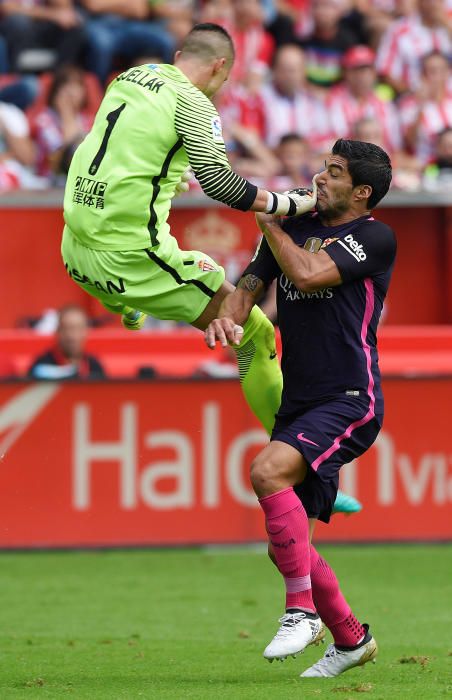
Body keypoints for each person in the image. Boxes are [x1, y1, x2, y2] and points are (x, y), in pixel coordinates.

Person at [61, 22, 359, 514]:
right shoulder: (196, 105)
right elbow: (221, 184)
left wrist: (166, 177)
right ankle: (305, 463)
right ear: (221, 67)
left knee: (185, 260)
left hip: (74, 247)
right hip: (133, 258)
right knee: (257, 334)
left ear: (179, 53)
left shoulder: (131, 77)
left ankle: (126, 303)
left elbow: (110, 151)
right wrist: (289, 202)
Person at [205, 138, 396, 677]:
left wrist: (270, 220)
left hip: (350, 398)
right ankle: (353, 640)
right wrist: (231, 315)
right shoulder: (296, 226)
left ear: (360, 192)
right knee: (286, 547)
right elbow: (251, 281)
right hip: (300, 398)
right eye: (324, 167)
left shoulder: (374, 237)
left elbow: (308, 274)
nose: (320, 177)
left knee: (266, 471)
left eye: (334, 173)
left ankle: (300, 612)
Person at [28, 304, 105, 379]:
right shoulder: (41, 367)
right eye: (66, 328)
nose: (72, 336)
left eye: (78, 328)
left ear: (86, 331)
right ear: (57, 331)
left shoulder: (94, 367)